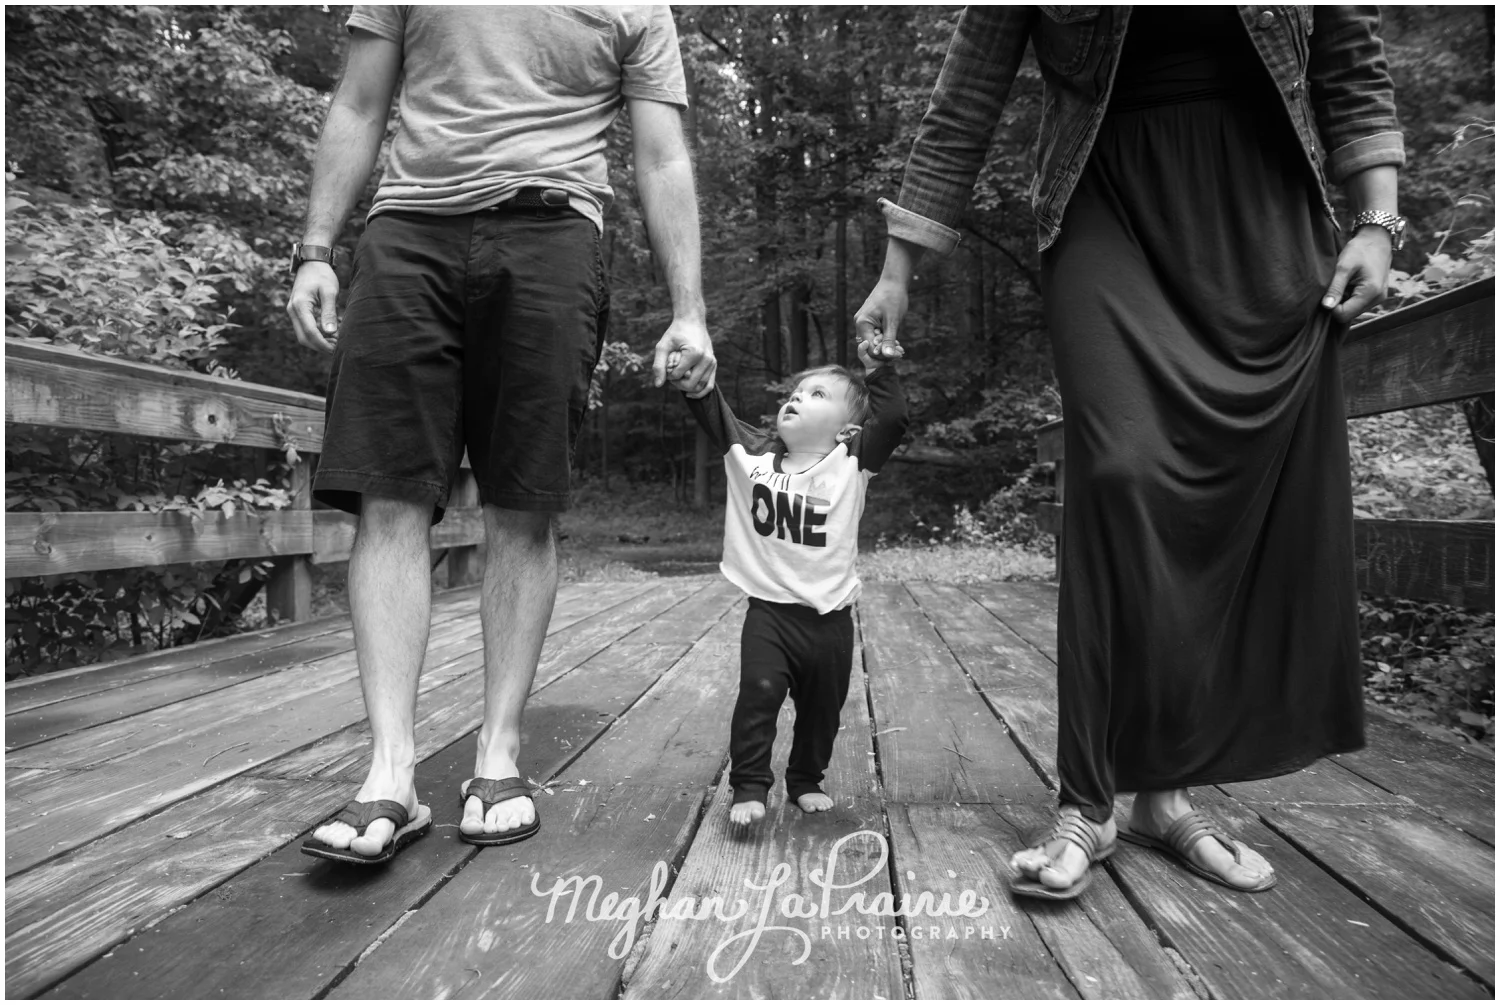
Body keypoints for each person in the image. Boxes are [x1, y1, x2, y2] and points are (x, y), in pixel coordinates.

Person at [855, 6, 1404, 898]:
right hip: (1104, 200)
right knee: (1120, 475)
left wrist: (1377, 220)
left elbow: (1350, 55)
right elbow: (966, 94)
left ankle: (1164, 794)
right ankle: (1087, 800)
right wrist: (897, 269)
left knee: (1217, 508)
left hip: (1262, 213)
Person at [288, 5, 716, 864]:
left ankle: (498, 754)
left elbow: (662, 154)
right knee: (387, 493)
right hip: (407, 231)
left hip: (554, 231)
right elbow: (360, 103)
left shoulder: (640, 8)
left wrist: (689, 310)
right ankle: (391, 773)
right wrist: (315, 250)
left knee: (523, 502)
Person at [675, 342, 908, 825]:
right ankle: (749, 785)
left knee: (822, 711)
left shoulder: (853, 461)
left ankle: (805, 780)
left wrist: (878, 369)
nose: (797, 397)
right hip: (769, 614)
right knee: (758, 694)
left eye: (817, 394)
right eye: (796, 392)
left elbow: (893, 419)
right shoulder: (753, 456)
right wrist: (695, 384)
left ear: (848, 430)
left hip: (830, 620)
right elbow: (715, 412)